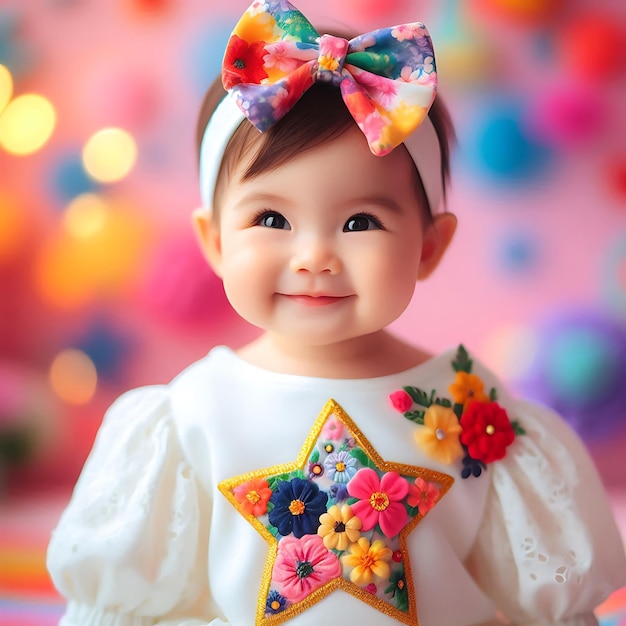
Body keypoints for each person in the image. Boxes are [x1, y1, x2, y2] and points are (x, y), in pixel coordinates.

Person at [47, 1, 626, 625]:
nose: (315, 257)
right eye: (271, 219)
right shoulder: (191, 413)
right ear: (214, 241)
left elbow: (547, 600)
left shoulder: (470, 410)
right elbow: (125, 603)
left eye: (361, 222)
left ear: (428, 246)